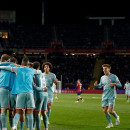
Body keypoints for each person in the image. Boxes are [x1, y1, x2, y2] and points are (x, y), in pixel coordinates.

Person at [0, 57, 47, 130]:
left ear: (21, 63)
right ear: (28, 63)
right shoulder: (31, 70)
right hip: (30, 93)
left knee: (18, 111)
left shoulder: (17, 69)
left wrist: (7, 65)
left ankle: (14, 125)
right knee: (30, 112)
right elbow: (40, 72)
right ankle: (30, 128)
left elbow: (5, 68)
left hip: (20, 93)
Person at [94, 64, 122, 128]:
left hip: (111, 96)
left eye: (105, 69)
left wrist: (114, 84)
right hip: (104, 96)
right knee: (105, 111)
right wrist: (96, 85)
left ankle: (117, 117)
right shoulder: (102, 77)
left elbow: (120, 85)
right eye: (103, 69)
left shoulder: (114, 76)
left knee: (110, 111)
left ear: (109, 69)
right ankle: (110, 124)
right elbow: (100, 85)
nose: (104, 70)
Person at [33, 61, 48, 130]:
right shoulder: (42, 74)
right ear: (39, 67)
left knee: (36, 113)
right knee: (44, 112)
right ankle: (46, 128)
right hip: (45, 94)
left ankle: (37, 128)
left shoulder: (35, 74)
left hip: (39, 94)